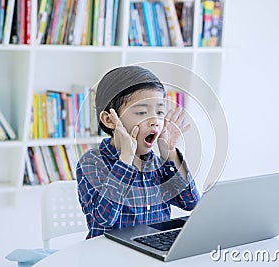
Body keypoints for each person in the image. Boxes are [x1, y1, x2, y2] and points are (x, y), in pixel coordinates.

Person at [76, 65, 200, 239]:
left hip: (152, 252)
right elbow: (103, 219)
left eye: (159, 112)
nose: (155, 121)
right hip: (108, 254)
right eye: (142, 112)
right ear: (110, 120)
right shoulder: (92, 162)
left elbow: (191, 202)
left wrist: (169, 153)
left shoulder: (158, 164)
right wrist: (125, 159)